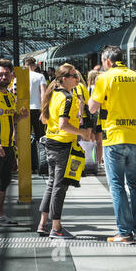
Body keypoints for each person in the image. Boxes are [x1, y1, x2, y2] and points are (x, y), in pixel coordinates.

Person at [88, 45, 136, 244]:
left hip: (114, 138)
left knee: (117, 185)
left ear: (108, 60)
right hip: (135, 138)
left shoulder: (104, 78)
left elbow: (92, 108)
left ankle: (125, 232)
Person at [37, 63, 90, 239]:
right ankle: (56, 228)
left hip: (51, 143)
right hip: (63, 145)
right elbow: (63, 125)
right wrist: (82, 132)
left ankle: (43, 224)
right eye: (74, 76)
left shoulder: (52, 94)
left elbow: (45, 120)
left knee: (52, 184)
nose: (78, 79)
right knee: (60, 187)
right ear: (64, 78)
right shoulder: (67, 98)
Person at [0, 59, 29, 235]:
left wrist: (21, 116)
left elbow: (11, 119)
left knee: (4, 182)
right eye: (0, 74)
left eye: (6, 74)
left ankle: (0, 214)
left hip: (8, 146)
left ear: (11, 75)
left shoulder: (11, 96)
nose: (3, 77)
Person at [17, 57, 47, 142]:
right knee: (40, 135)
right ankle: (40, 154)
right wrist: (43, 109)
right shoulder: (40, 76)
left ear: (24, 65)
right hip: (37, 108)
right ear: (34, 65)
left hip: (23, 109)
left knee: (25, 137)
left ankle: (27, 155)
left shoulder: (19, 76)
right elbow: (43, 93)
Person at [87, 70, 103, 167]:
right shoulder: (99, 88)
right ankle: (99, 162)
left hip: (91, 117)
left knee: (91, 141)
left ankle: (91, 161)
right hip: (100, 117)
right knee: (100, 141)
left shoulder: (89, 88)